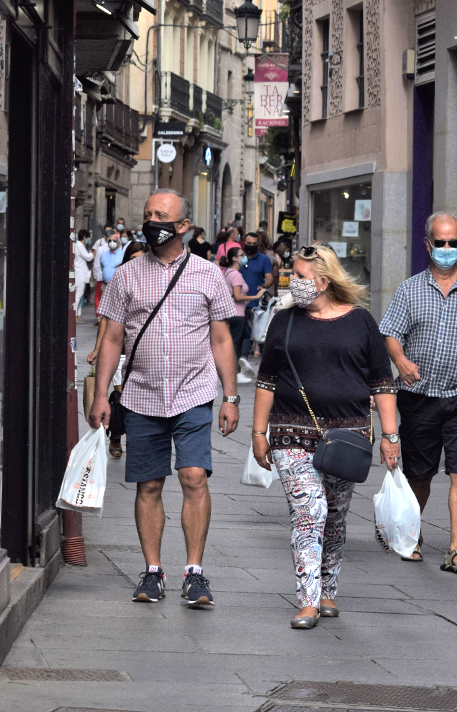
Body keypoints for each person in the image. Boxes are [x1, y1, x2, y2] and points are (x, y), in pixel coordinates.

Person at [88, 190, 240, 608]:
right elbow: (113, 338)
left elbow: (222, 339)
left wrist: (231, 397)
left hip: (193, 394)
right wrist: (102, 395)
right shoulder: (127, 275)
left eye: (162, 215)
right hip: (141, 396)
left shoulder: (209, 275)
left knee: (194, 477)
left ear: (184, 226)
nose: (152, 221)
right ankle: (153, 571)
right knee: (149, 483)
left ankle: (195, 572)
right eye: (148, 214)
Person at [252, 245, 398, 629]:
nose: (292, 282)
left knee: (335, 516)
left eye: (300, 277)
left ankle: (327, 589)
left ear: (323, 281)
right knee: (309, 513)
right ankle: (308, 600)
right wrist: (258, 432)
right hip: (290, 433)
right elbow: (266, 381)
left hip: (347, 436)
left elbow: (382, 383)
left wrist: (390, 436)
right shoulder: (283, 321)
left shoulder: (361, 322)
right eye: (291, 275)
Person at [379, 213, 457, 572]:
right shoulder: (410, 289)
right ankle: (412, 535)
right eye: (441, 243)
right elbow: (390, 332)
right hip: (420, 397)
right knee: (419, 475)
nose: (448, 249)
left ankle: (456, 549)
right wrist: (401, 360)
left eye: (454, 243)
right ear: (428, 245)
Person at [88, 241, 148, 458]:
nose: (137, 264)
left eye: (141, 259)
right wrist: (98, 348)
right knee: (121, 396)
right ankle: (116, 435)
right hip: (120, 351)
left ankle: (135, 437)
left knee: (136, 399)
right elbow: (106, 320)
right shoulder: (119, 281)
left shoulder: (154, 282)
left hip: (143, 353)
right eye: (133, 260)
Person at [221, 246, 267, 383]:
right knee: (238, 341)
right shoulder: (235, 274)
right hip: (237, 313)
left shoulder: (229, 272)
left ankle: (241, 362)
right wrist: (256, 296)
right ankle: (237, 370)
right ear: (234, 258)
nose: (244, 256)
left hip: (234, 312)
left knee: (246, 336)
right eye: (241, 255)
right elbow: (237, 296)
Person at [237, 231, 275, 376]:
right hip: (240, 302)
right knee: (244, 334)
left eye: (254, 244)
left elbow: (270, 278)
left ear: (258, 245)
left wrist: (264, 287)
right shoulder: (240, 258)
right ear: (244, 243)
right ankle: (243, 360)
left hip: (257, 303)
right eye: (248, 244)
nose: (251, 246)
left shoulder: (264, 259)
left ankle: (266, 367)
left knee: (260, 336)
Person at [73, 229, 94, 323]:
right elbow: (88, 257)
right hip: (79, 273)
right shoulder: (79, 245)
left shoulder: (80, 245)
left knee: (79, 295)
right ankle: (74, 315)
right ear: (85, 237)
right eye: (88, 238)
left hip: (81, 272)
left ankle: (78, 316)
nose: (88, 240)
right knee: (78, 295)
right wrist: (91, 253)